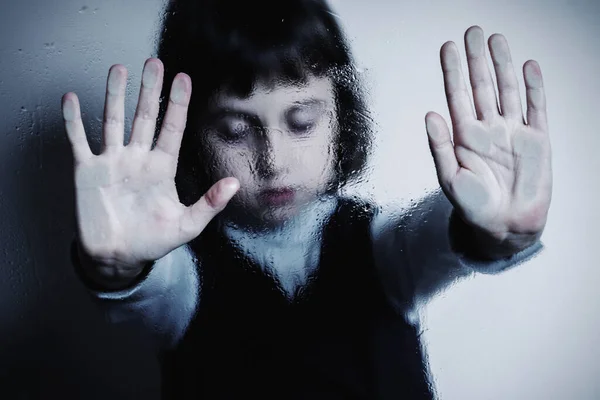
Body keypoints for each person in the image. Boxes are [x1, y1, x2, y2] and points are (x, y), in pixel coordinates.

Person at [61, 0, 552, 398]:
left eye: (301, 122)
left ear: (341, 117)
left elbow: (428, 236)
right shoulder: (185, 269)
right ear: (190, 137)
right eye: (234, 130)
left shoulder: (377, 243)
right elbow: (155, 283)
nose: (272, 159)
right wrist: (119, 266)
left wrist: (490, 231)